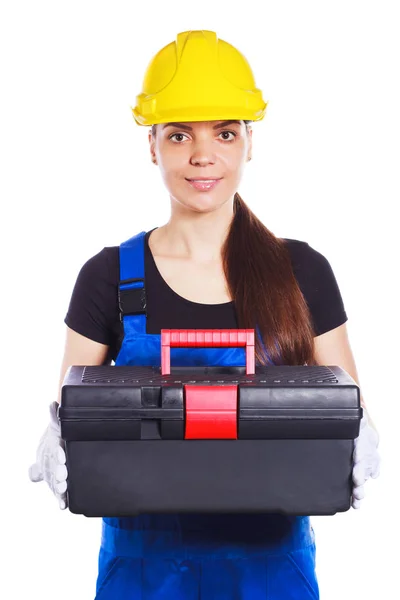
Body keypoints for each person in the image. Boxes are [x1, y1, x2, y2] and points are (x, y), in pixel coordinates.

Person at [28, 30, 380, 599]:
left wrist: (361, 432)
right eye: (178, 135)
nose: (202, 155)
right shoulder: (109, 277)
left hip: (269, 570)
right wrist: (56, 432)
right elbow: (74, 400)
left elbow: (346, 403)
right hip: (143, 572)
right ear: (152, 145)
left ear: (248, 143)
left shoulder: (301, 271)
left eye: (224, 132)